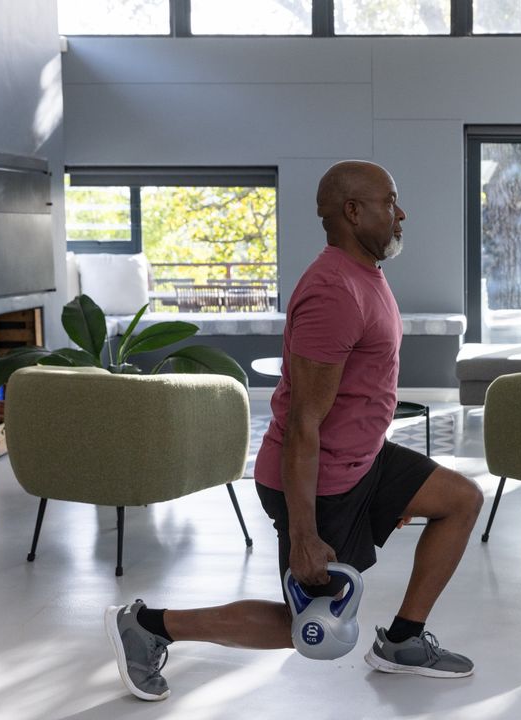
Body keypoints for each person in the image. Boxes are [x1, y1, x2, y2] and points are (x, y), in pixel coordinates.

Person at [104, 160, 484, 701]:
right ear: (353, 212)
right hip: (318, 481)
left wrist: (385, 487)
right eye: (389, 202)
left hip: (363, 462)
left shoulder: (365, 275)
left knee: (460, 498)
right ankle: (148, 626)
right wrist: (305, 534)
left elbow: (358, 395)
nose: (401, 214)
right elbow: (304, 422)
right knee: (310, 630)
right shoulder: (333, 293)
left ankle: (402, 641)